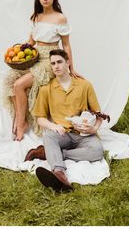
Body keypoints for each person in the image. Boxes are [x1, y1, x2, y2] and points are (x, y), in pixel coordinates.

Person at [2, 0, 82, 141]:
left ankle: (20, 124)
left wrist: (70, 66)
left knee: (19, 85)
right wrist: (17, 53)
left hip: (50, 59)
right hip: (36, 56)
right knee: (9, 79)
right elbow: (31, 42)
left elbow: (66, 45)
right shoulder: (37, 17)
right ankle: (20, 119)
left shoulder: (60, 18)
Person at [24, 49, 104, 192]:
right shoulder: (46, 89)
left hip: (83, 134)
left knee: (97, 151)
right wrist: (53, 126)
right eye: (53, 63)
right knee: (48, 136)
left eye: (59, 62)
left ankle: (46, 153)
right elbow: (40, 118)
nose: (56, 66)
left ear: (68, 62)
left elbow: (99, 114)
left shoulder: (85, 85)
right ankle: (59, 174)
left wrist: (94, 129)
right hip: (62, 134)